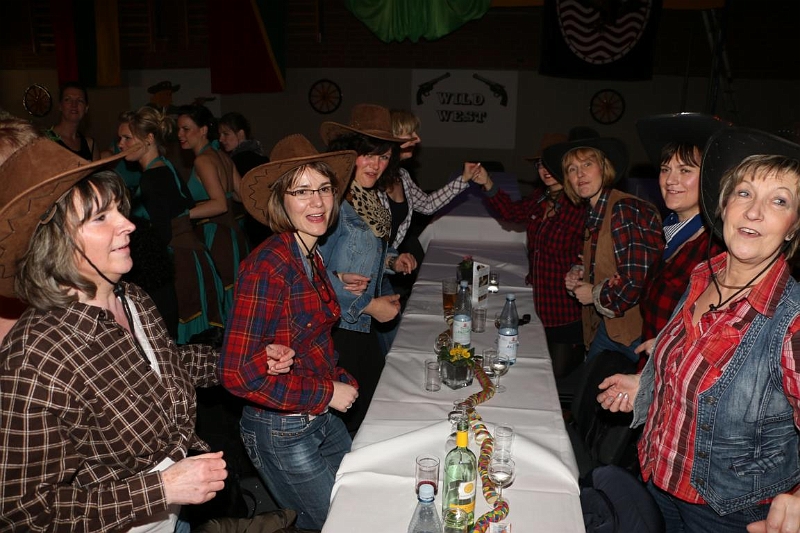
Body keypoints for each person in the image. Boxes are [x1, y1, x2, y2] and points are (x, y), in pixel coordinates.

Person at [0, 132, 295, 531]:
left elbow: (163, 367)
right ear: (54, 241)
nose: (128, 224)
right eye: (101, 218)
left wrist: (247, 359)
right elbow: (22, 512)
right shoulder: (36, 358)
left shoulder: (131, 297)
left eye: (119, 210)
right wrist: (162, 488)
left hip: (173, 515)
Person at [597, 127, 800, 532]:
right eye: (744, 193)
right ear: (723, 205)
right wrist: (647, 385)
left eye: (779, 200)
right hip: (659, 479)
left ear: (793, 227)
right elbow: (695, 370)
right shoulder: (703, 276)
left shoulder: (791, 319)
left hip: (728, 512)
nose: (754, 211)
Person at [219, 134, 359, 529]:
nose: (317, 202)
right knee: (335, 525)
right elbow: (233, 373)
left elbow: (307, 339)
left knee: (358, 504)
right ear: (281, 201)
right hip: (282, 429)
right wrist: (327, 392)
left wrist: (335, 379)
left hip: (316, 414)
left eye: (324, 189)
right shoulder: (269, 266)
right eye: (302, 191)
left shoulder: (309, 253)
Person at [318, 103, 417, 434]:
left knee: (369, 414)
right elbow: (311, 275)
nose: (376, 164)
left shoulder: (369, 198)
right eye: (368, 154)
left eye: (384, 156)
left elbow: (363, 255)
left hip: (360, 326)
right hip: (335, 329)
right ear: (348, 154)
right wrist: (370, 305)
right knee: (350, 422)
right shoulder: (331, 203)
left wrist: (391, 261)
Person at [473, 132, 586, 379]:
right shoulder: (541, 197)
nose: (544, 170)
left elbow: (590, 252)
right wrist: (487, 182)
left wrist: (580, 269)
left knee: (556, 376)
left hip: (565, 308)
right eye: (540, 164)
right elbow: (512, 213)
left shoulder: (580, 204)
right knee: (531, 370)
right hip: (539, 301)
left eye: (551, 163)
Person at [542, 135, 663, 363]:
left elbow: (638, 281)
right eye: (572, 169)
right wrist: (580, 270)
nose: (579, 174)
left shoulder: (625, 209)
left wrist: (594, 294)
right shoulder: (595, 210)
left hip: (635, 336)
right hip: (606, 329)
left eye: (587, 164)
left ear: (604, 168)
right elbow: (611, 259)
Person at [118, 106, 226, 344]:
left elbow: (162, 234)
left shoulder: (152, 178)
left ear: (149, 138)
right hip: (191, 258)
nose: (120, 144)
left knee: (184, 342)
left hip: (180, 265)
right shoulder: (165, 166)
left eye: (127, 138)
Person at [635, 112, 727, 346]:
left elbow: (719, 331)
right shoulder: (670, 230)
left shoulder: (715, 247)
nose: (670, 180)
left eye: (685, 170)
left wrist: (670, 347)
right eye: (665, 169)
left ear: (709, 177)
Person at [379, 109, 475, 311]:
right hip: (370, 272)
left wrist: (464, 179)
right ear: (392, 138)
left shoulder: (402, 176)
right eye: (410, 133)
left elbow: (428, 204)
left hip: (386, 268)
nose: (418, 139)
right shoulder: (372, 179)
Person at [178, 104, 247, 316]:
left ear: (203, 130)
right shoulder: (223, 157)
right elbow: (241, 196)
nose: (180, 134)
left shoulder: (203, 160)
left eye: (186, 129)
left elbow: (219, 204)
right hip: (233, 236)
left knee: (224, 302)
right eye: (178, 129)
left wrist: (182, 214)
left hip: (215, 237)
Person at [218, 111, 271, 247]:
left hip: (251, 227)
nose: (221, 139)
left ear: (241, 134)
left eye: (226, 134)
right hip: (268, 223)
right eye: (220, 134)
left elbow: (242, 196)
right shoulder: (262, 158)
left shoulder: (237, 161)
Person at [44, 81, 98, 161]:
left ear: (86, 108)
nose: (74, 104)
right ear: (60, 106)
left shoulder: (90, 145)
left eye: (80, 100)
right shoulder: (45, 140)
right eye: (68, 99)